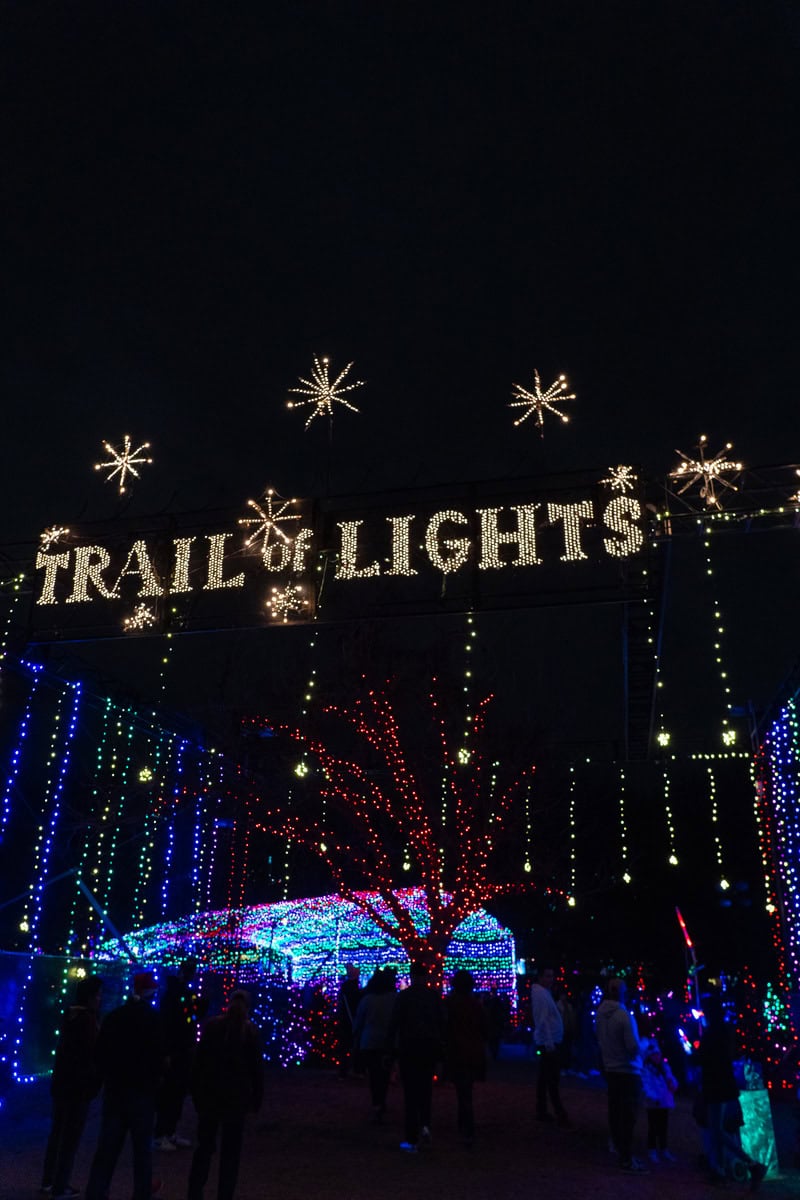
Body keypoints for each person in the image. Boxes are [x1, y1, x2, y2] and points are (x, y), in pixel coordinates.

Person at [85, 970, 166, 1200]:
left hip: (116, 1091)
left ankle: (96, 1193)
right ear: (151, 994)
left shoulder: (114, 1017)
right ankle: (142, 1193)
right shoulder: (153, 1020)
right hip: (142, 1093)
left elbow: (99, 1055)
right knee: (142, 1152)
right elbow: (159, 1057)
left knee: (107, 1149)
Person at [187, 989, 263, 1200]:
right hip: (236, 1100)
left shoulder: (212, 1027)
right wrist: (256, 1099)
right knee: (231, 1153)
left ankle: (194, 1192)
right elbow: (256, 1070)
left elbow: (199, 1062)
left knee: (204, 1147)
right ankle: (225, 1194)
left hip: (211, 1095)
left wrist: (195, 1092)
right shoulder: (249, 1032)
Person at [41, 974, 103, 1200]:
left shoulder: (70, 1015)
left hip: (62, 1085)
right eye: (98, 995)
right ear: (90, 996)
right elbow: (89, 1055)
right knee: (70, 1137)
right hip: (78, 1087)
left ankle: (49, 1181)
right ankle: (60, 1185)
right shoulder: (87, 1021)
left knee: (57, 1133)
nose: (100, 999)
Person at [696, 990, 766, 1189]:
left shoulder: (712, 1033)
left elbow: (703, 1058)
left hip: (715, 1085)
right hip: (724, 1083)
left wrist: (692, 1048)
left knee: (716, 1130)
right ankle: (719, 1170)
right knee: (716, 1128)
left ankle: (751, 1165)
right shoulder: (726, 1030)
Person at [387, 960, 446, 1153]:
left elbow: (394, 1023)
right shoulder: (433, 997)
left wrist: (392, 1050)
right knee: (426, 1090)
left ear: (412, 977)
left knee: (411, 1093)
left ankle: (411, 1138)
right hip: (429, 1048)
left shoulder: (403, 997)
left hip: (409, 1048)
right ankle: (425, 1124)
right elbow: (442, 1023)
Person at [595, 976, 646, 1173]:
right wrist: (645, 1047)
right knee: (629, 1116)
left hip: (611, 1068)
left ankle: (617, 1148)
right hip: (628, 1070)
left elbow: (599, 1038)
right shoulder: (624, 1016)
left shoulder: (600, 1013)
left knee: (615, 1112)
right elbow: (632, 1047)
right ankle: (626, 1157)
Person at [154, 957, 202, 1150]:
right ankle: (160, 1134)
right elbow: (167, 1024)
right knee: (169, 1093)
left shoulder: (184, 993)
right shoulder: (173, 995)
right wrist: (166, 1051)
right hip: (174, 1051)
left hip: (183, 1049)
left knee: (178, 1093)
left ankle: (170, 1131)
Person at [444, 969, 488, 1147]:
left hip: (456, 1051)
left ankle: (465, 1124)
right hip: (473, 1052)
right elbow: (485, 1029)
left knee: (462, 1090)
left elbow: (445, 1027)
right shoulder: (476, 1006)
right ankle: (465, 1124)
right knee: (466, 1089)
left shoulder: (450, 1004)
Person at [352, 968, 397, 1122]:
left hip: (369, 1041)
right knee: (384, 1074)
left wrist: (356, 1033)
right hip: (387, 1042)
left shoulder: (367, 999)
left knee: (373, 1074)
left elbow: (359, 1020)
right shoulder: (394, 999)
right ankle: (381, 1101)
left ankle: (376, 1102)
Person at [530, 966, 571, 1128]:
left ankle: (543, 1110)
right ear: (540, 977)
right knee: (552, 1079)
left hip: (550, 1041)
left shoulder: (543, 993)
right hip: (550, 1043)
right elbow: (542, 1020)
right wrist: (549, 1043)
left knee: (545, 1078)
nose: (550, 979)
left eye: (551, 976)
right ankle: (559, 1112)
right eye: (547, 976)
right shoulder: (541, 994)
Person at [640, 1036, 678, 1163]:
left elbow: (672, 1080)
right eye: (655, 1055)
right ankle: (652, 1149)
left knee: (663, 1127)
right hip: (653, 1104)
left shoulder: (665, 1068)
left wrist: (673, 1084)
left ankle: (663, 1149)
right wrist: (653, 1098)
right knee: (653, 1127)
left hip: (664, 1103)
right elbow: (645, 1086)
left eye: (658, 1055)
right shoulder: (646, 1070)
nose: (657, 1057)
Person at [336, 962, 361, 1078]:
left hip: (345, 1019)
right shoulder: (355, 989)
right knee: (353, 1045)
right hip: (352, 1020)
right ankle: (354, 1068)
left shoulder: (345, 987)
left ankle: (344, 1069)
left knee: (344, 1046)